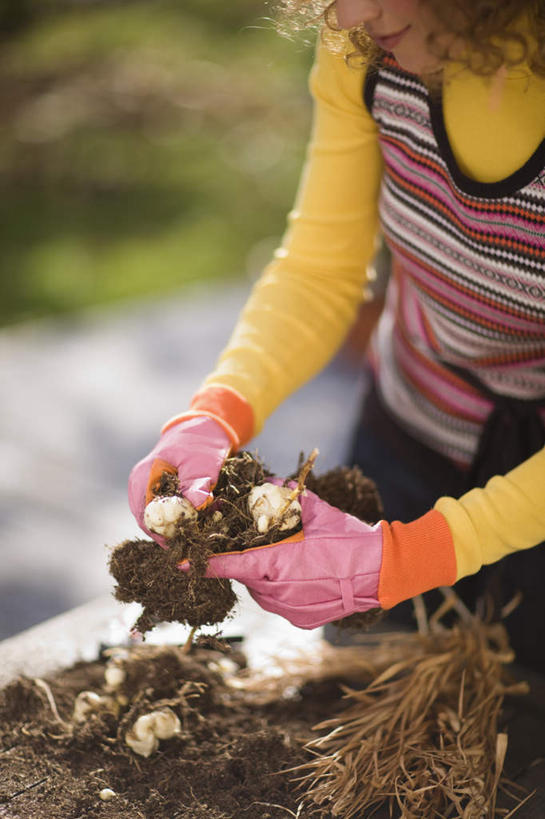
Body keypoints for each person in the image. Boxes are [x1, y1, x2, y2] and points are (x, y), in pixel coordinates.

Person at [129, 0, 545, 673]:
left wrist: (414, 556)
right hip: (411, 433)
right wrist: (214, 411)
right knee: (363, 689)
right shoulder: (367, 45)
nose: (346, 11)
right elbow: (321, 267)